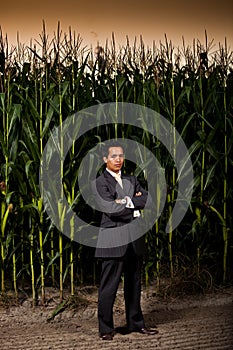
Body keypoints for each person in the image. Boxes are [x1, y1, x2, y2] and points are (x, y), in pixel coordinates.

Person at [92, 142, 158, 341]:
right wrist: (133, 204)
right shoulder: (99, 183)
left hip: (134, 240)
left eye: (121, 156)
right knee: (108, 287)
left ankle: (136, 324)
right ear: (105, 159)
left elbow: (147, 199)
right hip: (113, 240)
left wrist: (125, 201)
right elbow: (111, 209)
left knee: (134, 284)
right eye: (113, 156)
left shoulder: (132, 178)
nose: (118, 160)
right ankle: (105, 329)